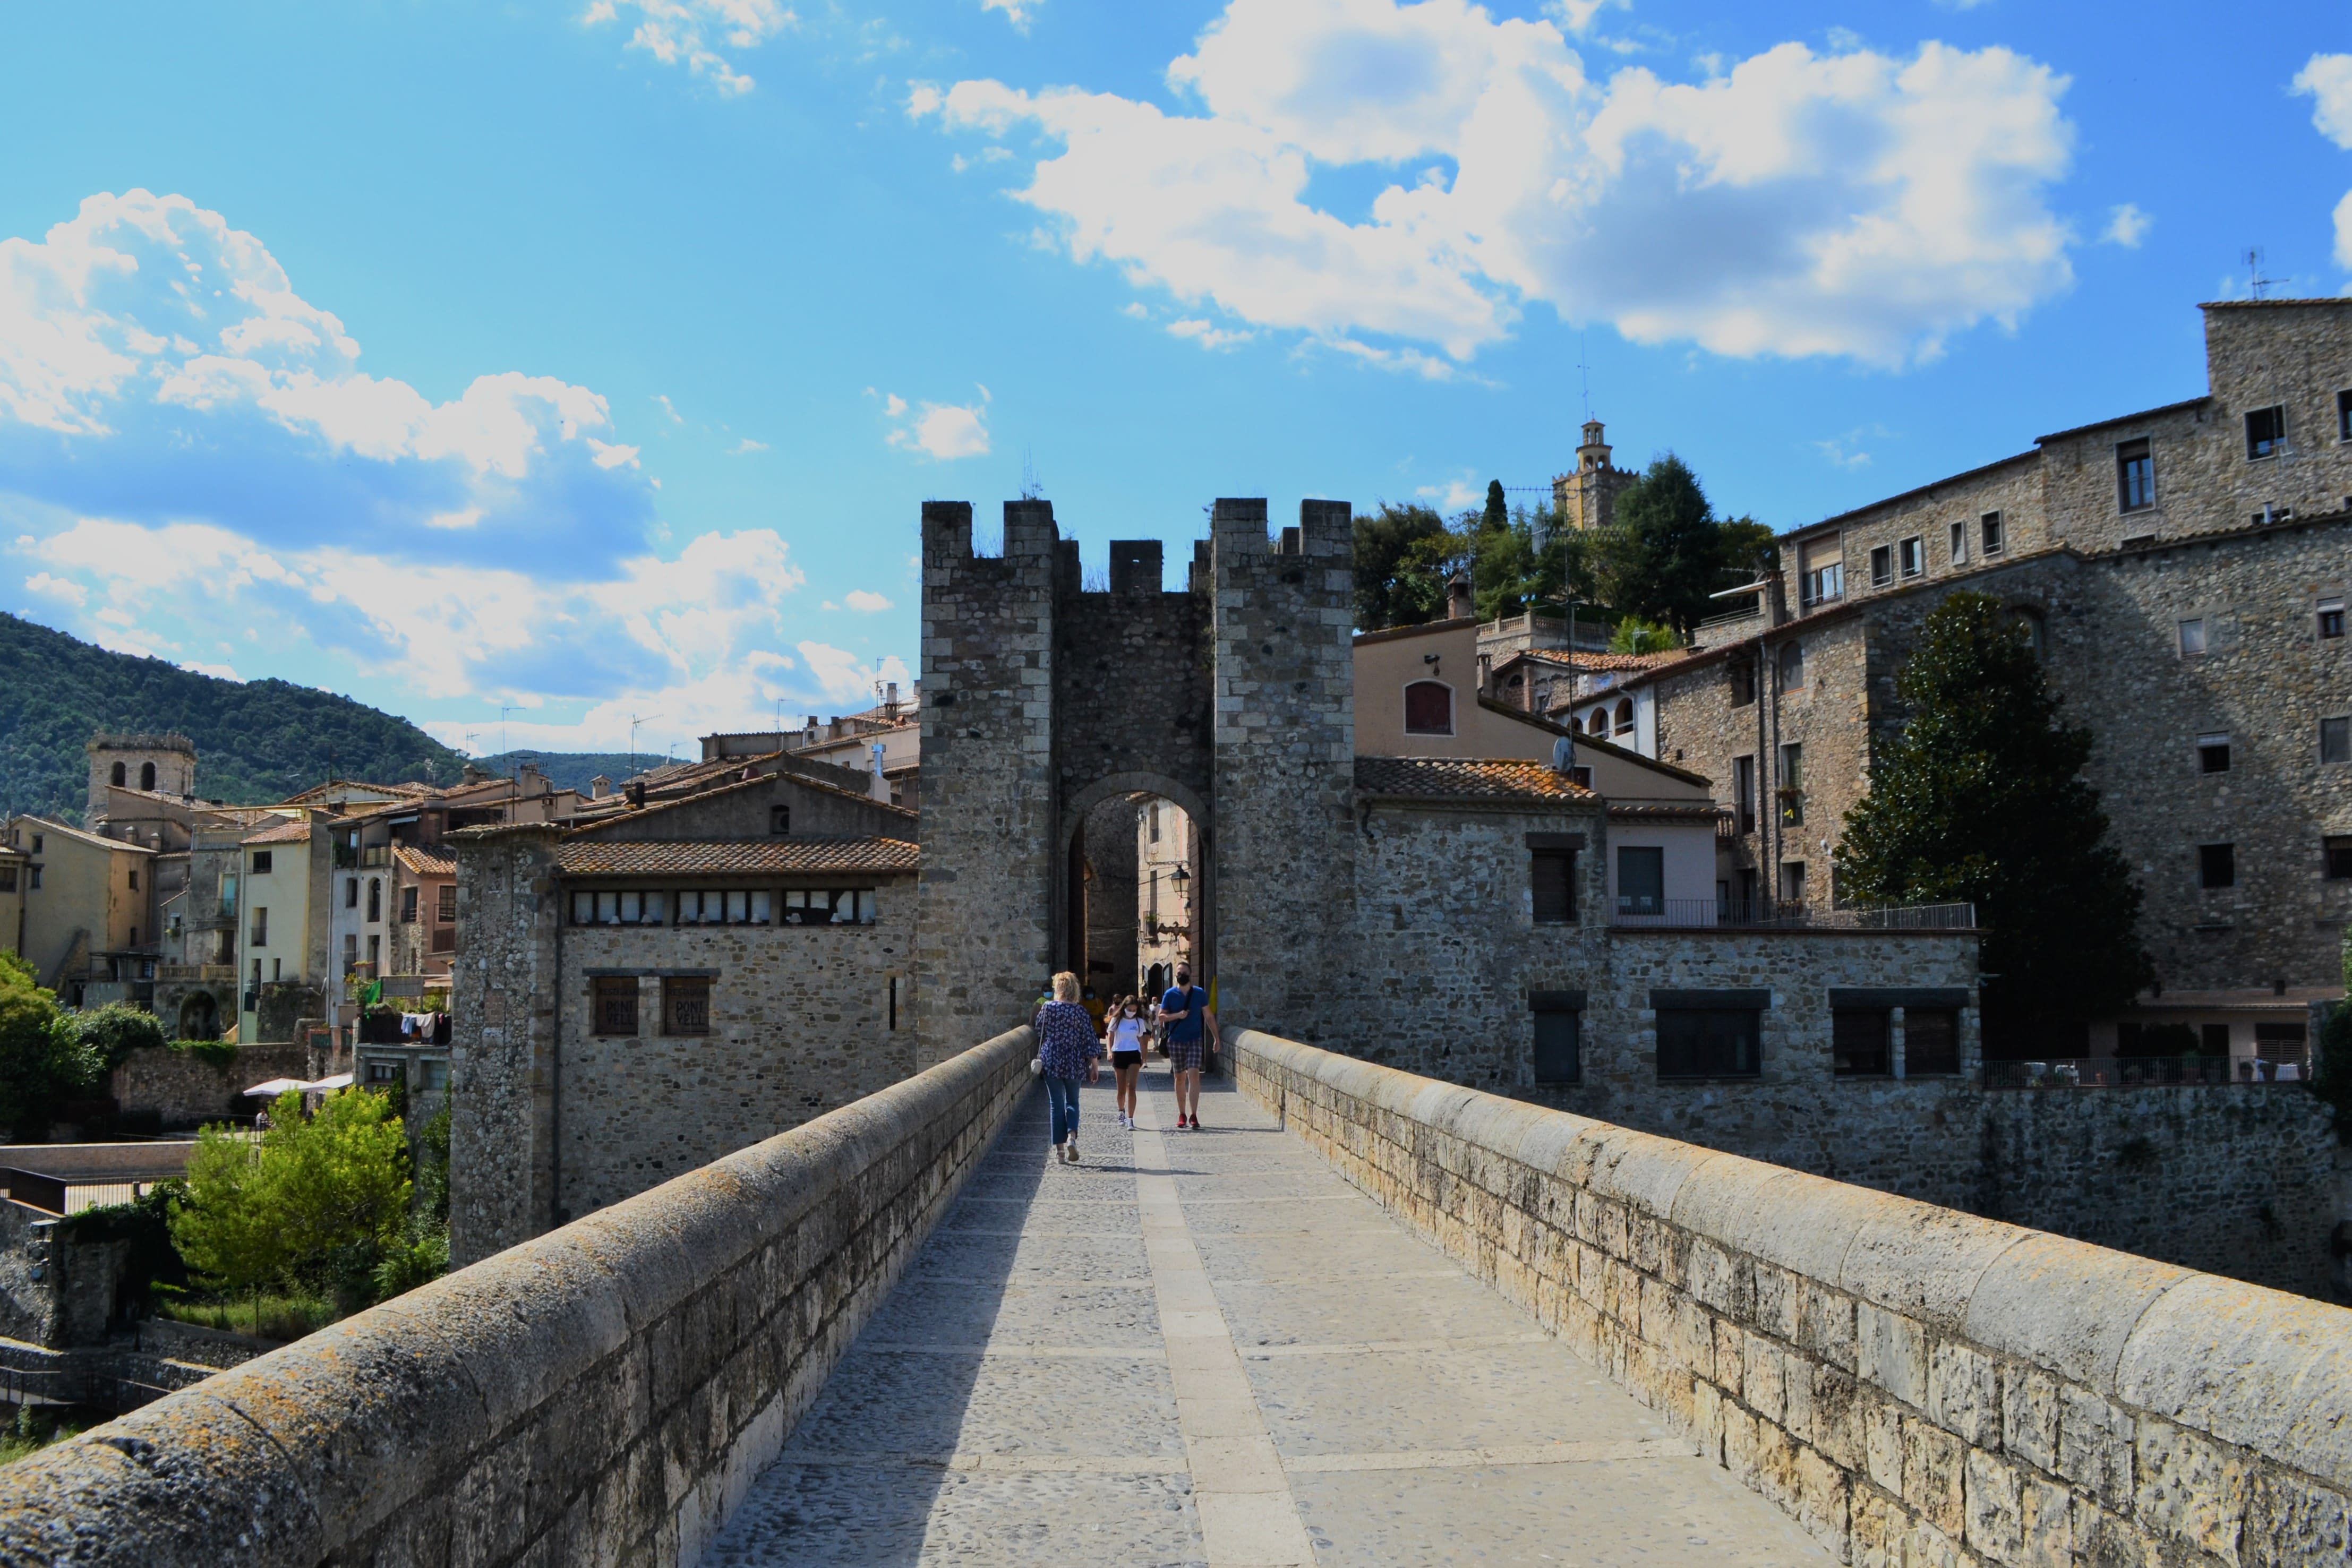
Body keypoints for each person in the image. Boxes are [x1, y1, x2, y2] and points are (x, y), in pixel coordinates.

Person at [1034, 971, 1101, 1162]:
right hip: (1074, 1061)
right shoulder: (1080, 1011)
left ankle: (1060, 1152)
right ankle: (1072, 1137)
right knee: (1073, 1102)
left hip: (1052, 1060)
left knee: (1056, 1105)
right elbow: (1090, 1040)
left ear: (1058, 989)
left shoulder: (1048, 1008)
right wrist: (1095, 1067)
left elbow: (1039, 1030)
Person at [1158, 964, 1217, 1130]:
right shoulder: (1170, 994)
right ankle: (1182, 1114)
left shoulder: (1199, 993)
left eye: (1184, 973)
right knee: (1180, 1078)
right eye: (1179, 973)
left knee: (1194, 1074)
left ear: (1190, 974)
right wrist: (1177, 1015)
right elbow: (1161, 1016)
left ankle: (1194, 1115)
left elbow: (1209, 1016)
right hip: (1176, 1040)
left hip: (1194, 1039)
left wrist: (1216, 1038)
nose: (1181, 975)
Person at [1104, 994, 1148, 1130]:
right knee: (1121, 1089)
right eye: (1130, 1009)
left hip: (1134, 1054)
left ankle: (1131, 1118)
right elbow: (1109, 1036)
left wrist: (1144, 1057)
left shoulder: (1139, 1022)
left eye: (1134, 1010)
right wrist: (1110, 1052)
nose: (1132, 1012)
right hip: (1119, 1053)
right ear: (1125, 1008)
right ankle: (1121, 1111)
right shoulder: (1116, 1020)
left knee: (1132, 1086)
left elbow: (1142, 1040)